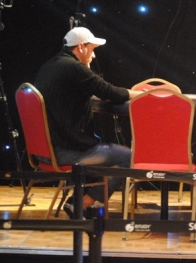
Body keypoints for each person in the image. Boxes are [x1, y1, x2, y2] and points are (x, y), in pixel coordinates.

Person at [34, 27, 143, 218]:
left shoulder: (49, 65)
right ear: (81, 47)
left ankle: (77, 201)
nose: (93, 56)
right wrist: (142, 95)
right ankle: (81, 204)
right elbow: (108, 91)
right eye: (92, 50)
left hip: (44, 152)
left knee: (105, 152)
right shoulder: (74, 68)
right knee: (128, 157)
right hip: (65, 152)